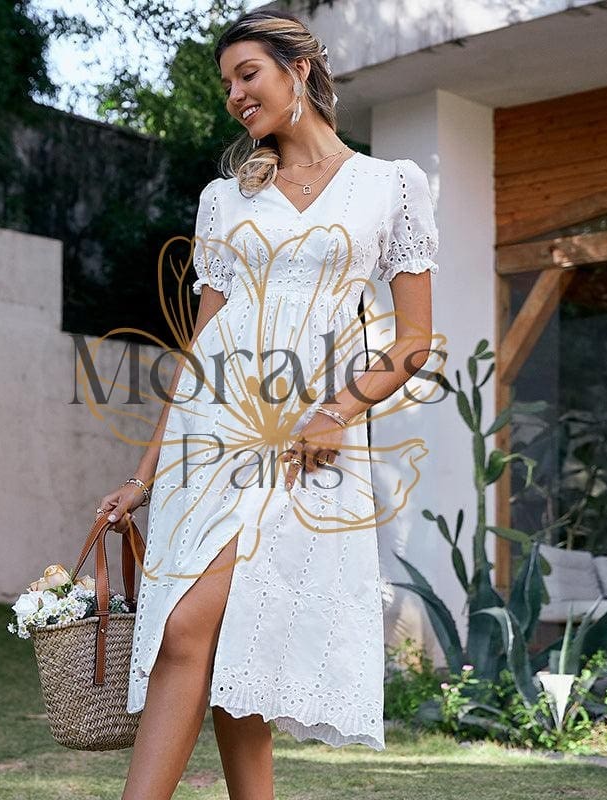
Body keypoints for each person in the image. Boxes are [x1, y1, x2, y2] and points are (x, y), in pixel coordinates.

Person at [97, 9, 439, 799]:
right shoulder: (226, 199)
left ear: (300, 68)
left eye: (247, 74)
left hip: (306, 440)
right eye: (227, 84)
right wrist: (143, 476)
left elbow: (415, 339)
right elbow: (199, 348)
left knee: (212, 633)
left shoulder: (391, 186)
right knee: (214, 637)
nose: (235, 96)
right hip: (210, 436)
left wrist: (336, 412)